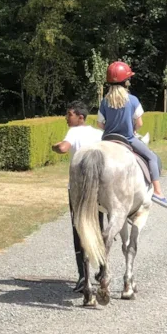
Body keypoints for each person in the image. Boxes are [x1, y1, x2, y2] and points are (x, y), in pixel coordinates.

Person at [98, 61, 167, 209]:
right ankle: (158, 191)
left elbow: (100, 124)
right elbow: (140, 123)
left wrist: (110, 127)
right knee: (151, 157)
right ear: (126, 82)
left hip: (107, 140)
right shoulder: (132, 100)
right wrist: (133, 129)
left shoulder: (104, 101)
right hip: (128, 139)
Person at [52, 101, 104, 291]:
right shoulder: (98, 134)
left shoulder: (74, 132)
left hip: (78, 188)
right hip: (98, 188)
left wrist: (54, 147)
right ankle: (102, 269)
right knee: (99, 225)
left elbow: (64, 148)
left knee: (78, 228)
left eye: (69, 114)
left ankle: (83, 276)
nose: (67, 117)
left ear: (80, 117)